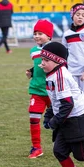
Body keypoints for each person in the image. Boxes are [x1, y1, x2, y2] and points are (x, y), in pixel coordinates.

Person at [25, 19, 54, 159]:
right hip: (37, 90)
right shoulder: (33, 51)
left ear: (49, 36)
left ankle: (63, 144)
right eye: (35, 33)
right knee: (33, 116)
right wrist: (31, 71)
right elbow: (38, 65)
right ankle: (36, 147)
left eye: (40, 33)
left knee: (60, 120)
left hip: (53, 91)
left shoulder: (55, 49)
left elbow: (61, 66)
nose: (37, 36)